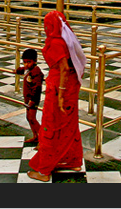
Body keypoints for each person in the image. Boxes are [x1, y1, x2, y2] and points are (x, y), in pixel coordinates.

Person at [27, 10, 87, 181]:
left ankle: (44, 170)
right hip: (70, 84)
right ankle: (72, 160)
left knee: (51, 125)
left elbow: (64, 68)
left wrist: (60, 94)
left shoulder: (55, 42)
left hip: (60, 87)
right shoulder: (64, 38)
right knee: (69, 123)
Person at [15, 48, 44, 145]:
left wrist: (33, 99)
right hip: (27, 98)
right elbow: (23, 70)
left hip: (33, 99)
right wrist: (17, 71)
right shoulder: (28, 69)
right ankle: (35, 136)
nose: (26, 64)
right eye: (24, 62)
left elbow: (37, 88)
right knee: (28, 118)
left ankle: (43, 139)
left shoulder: (36, 72)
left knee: (32, 118)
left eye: (29, 62)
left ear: (35, 61)